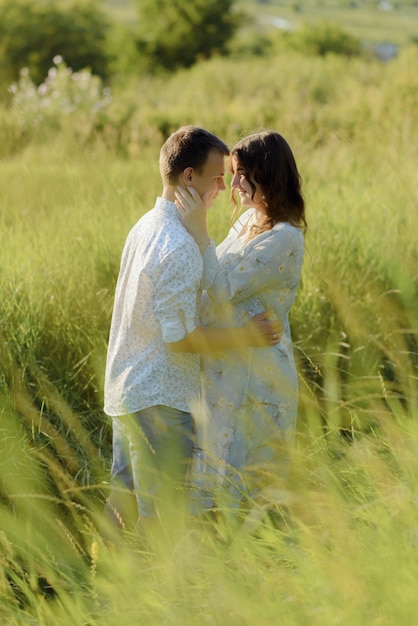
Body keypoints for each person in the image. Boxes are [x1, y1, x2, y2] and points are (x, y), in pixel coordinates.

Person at [102, 126, 281, 540]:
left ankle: (102, 589)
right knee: (162, 515)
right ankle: (158, 600)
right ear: (188, 177)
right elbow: (181, 338)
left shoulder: (145, 225)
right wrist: (244, 336)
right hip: (161, 400)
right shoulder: (178, 245)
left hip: (126, 389)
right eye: (217, 177)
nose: (224, 187)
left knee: (123, 498)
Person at [176, 130, 306, 511]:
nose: (234, 184)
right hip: (224, 366)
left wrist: (199, 230)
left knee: (252, 490)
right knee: (213, 479)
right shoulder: (245, 222)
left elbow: (220, 288)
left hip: (258, 375)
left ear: (268, 174)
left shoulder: (285, 238)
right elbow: (206, 282)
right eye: (233, 173)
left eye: (242, 174)